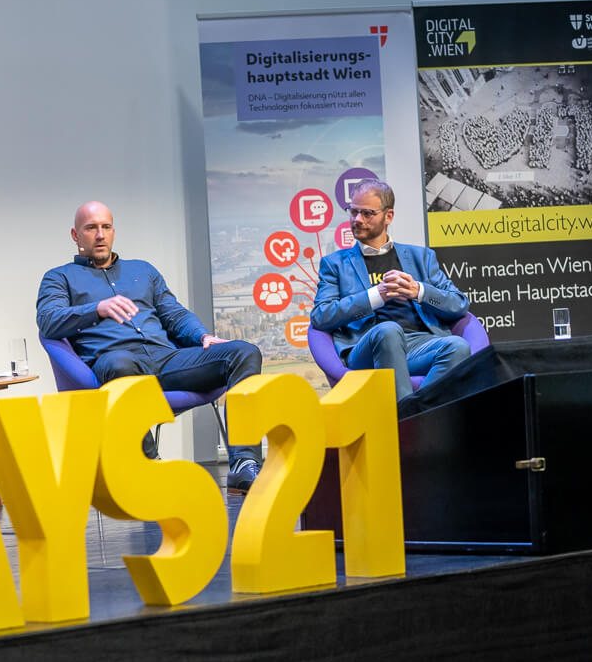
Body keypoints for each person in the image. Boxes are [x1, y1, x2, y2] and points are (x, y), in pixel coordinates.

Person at [36, 201, 264, 492]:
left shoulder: (142, 271)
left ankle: (244, 463)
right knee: (120, 362)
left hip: (166, 360)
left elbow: (174, 314)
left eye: (106, 227)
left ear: (114, 231)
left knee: (244, 352)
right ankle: (148, 465)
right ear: (75, 234)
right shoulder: (59, 277)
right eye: (91, 228)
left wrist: (202, 336)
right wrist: (98, 309)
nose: (100, 235)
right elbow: (48, 321)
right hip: (114, 365)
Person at [311, 178, 471, 407]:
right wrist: (377, 296)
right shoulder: (335, 264)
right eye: (353, 212)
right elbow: (321, 316)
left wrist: (418, 291)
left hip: (418, 344)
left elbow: (459, 304)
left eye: (367, 213)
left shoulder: (421, 257)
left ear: (388, 216)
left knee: (459, 347)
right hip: (367, 346)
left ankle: (411, 415)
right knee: (388, 330)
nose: (357, 219)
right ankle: (408, 420)